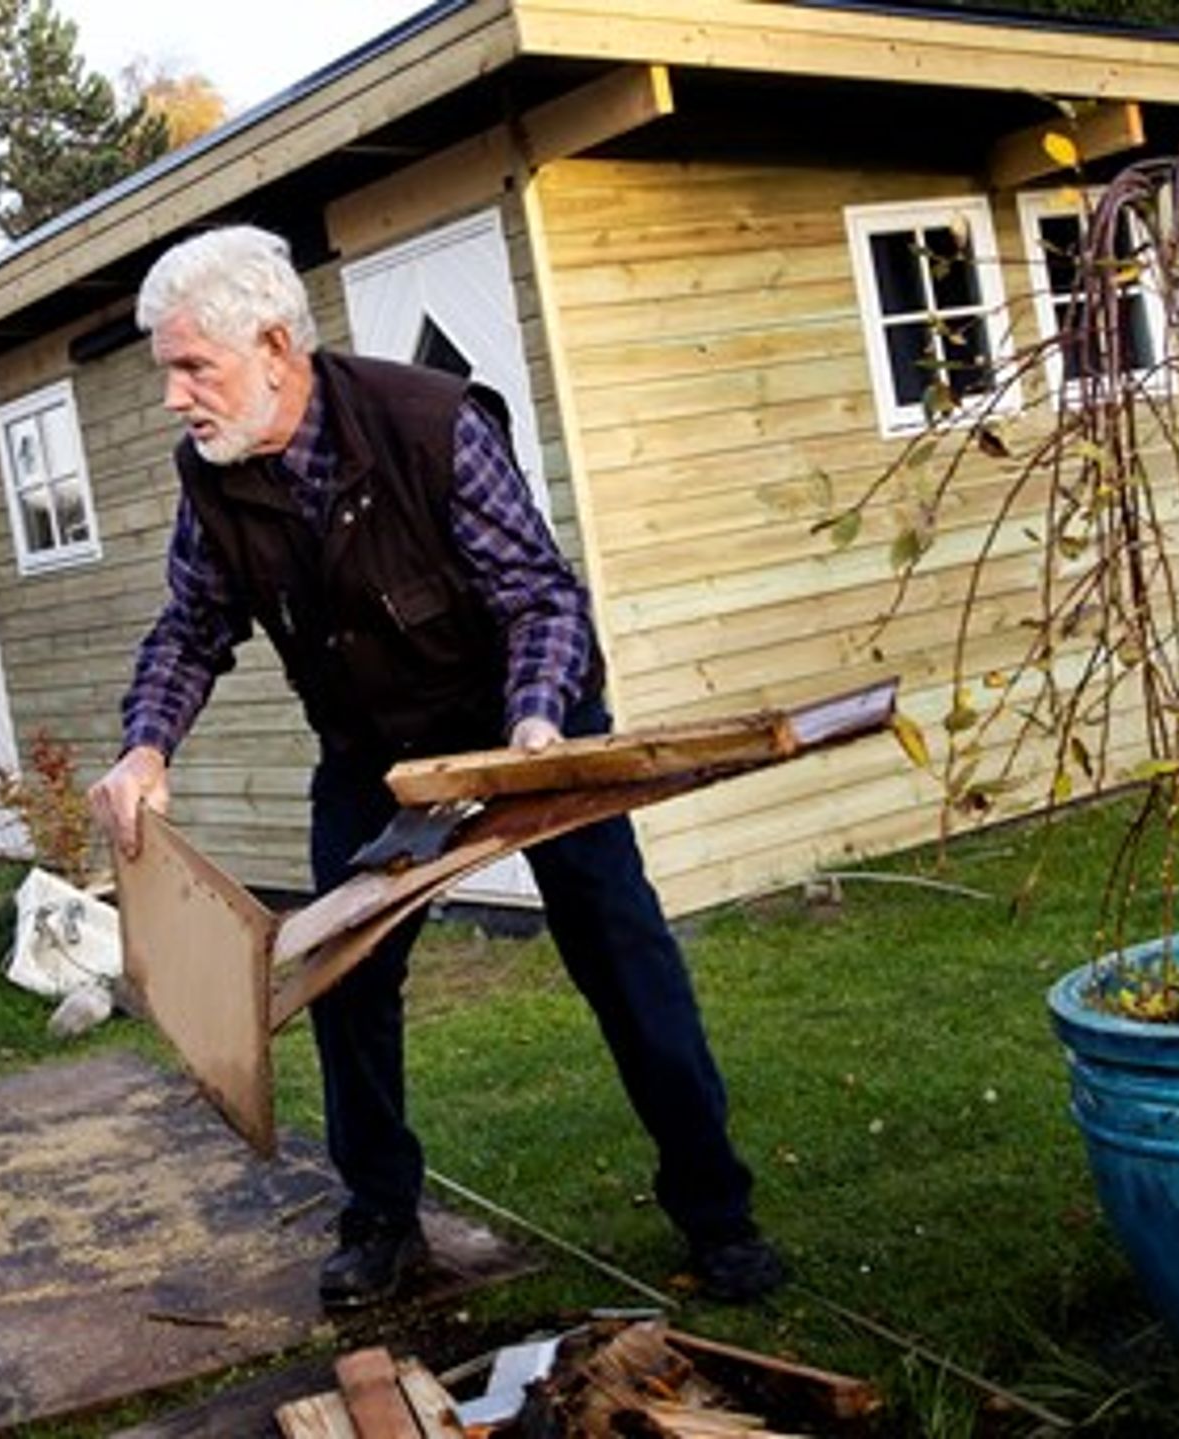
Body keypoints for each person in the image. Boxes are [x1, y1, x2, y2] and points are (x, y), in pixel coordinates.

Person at [87, 225, 788, 1310]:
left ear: (273, 346)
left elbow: (541, 597)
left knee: (620, 950)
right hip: (373, 751)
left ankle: (718, 1215)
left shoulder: (430, 422)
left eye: (192, 367)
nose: (175, 398)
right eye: (167, 371)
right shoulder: (214, 477)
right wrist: (145, 746)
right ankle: (381, 1218)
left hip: (525, 726)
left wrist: (534, 724)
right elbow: (190, 628)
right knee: (346, 978)